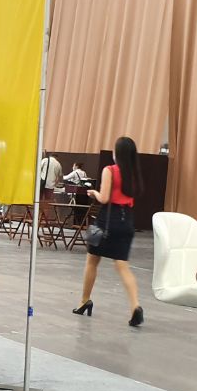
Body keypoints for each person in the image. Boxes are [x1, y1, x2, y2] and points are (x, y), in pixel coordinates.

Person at [74, 136, 144, 327]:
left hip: (107, 220)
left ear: (117, 153)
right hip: (127, 221)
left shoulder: (110, 170)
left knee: (92, 261)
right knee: (123, 266)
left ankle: (84, 300)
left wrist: (94, 193)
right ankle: (135, 306)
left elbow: (104, 198)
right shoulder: (134, 174)